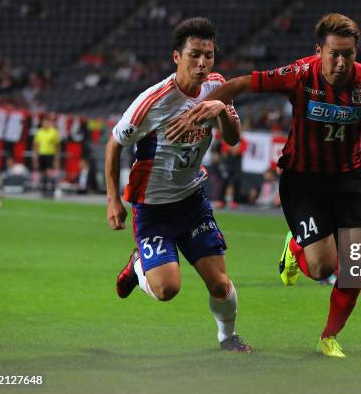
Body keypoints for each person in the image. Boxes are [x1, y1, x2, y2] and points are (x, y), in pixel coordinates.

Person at [166, 13, 361, 357]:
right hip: (303, 180)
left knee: (354, 266)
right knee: (322, 268)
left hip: (352, 178)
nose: (340, 62)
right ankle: (296, 247)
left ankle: (329, 336)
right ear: (319, 50)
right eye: (333, 53)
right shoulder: (300, 74)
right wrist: (210, 104)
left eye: (348, 54)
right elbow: (244, 83)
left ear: (356, 52)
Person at [104, 18, 251, 353]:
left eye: (208, 56)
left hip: (192, 200)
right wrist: (113, 200)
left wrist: (221, 110)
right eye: (194, 55)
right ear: (176, 57)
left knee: (220, 283)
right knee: (166, 290)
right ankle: (138, 264)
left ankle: (227, 337)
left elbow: (232, 139)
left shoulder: (217, 86)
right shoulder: (151, 102)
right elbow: (114, 144)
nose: (202, 63)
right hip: (152, 207)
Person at [32, 116, 60, 197]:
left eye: (47, 122)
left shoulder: (53, 132)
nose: (46, 124)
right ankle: (44, 190)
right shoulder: (39, 132)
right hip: (41, 154)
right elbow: (36, 145)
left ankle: (53, 189)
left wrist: (56, 157)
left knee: (50, 172)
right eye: (44, 122)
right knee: (43, 173)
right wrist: (35, 156)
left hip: (50, 154)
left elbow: (57, 145)